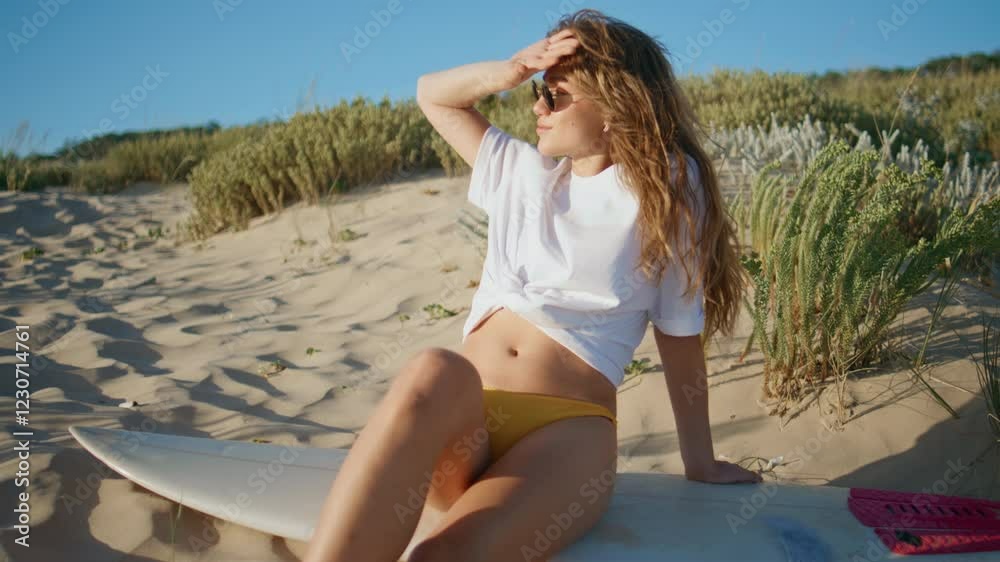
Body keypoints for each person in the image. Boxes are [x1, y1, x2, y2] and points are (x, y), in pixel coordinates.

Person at [303, 8, 762, 562]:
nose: (537, 107)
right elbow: (433, 95)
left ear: (614, 102)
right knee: (433, 367)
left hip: (567, 433)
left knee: (436, 558)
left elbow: (679, 331)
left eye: (555, 95)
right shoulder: (520, 173)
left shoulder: (669, 186)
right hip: (465, 424)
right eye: (537, 93)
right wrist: (512, 69)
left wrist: (700, 462)